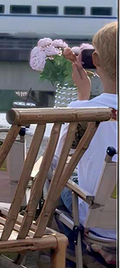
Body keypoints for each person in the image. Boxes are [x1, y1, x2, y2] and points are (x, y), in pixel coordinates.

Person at [52, 21, 117, 254]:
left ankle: (68, 252)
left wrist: (82, 95)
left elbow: (59, 156)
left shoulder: (84, 111)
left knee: (53, 177)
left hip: (99, 225)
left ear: (96, 61)